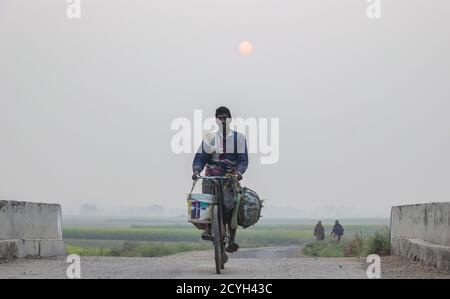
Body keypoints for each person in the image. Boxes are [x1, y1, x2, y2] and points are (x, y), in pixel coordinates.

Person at [192, 106, 248, 258]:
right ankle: (208, 229)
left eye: (225, 117)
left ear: (230, 120)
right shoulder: (209, 138)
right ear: (216, 120)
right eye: (220, 118)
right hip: (211, 177)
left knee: (232, 205)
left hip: (229, 178)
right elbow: (200, 158)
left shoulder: (239, 139)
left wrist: (239, 173)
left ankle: (233, 239)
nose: (223, 120)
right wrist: (196, 170)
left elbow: (243, 161)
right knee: (207, 204)